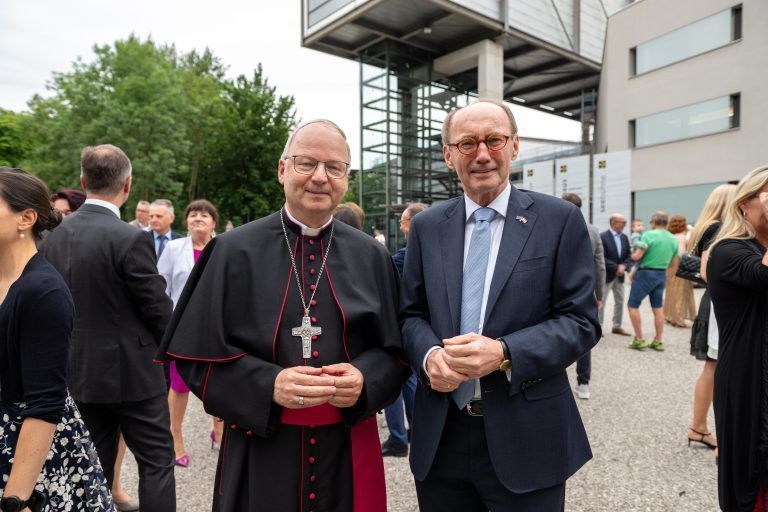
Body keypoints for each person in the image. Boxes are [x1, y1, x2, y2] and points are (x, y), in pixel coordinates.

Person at [158, 119, 405, 512]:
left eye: (334, 167)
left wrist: (365, 379)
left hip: (347, 449)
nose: (320, 177)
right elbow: (195, 361)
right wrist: (266, 385)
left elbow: (397, 353)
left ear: (346, 177)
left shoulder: (373, 257)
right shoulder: (231, 251)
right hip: (260, 450)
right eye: (306, 163)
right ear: (282, 169)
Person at [400, 99, 599, 511]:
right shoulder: (427, 227)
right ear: (448, 154)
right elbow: (410, 314)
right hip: (443, 436)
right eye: (468, 143)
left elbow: (581, 321)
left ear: (514, 146)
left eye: (494, 140)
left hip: (528, 434)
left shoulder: (558, 220)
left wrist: (505, 353)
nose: (483, 154)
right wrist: (429, 354)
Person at [42, 144, 176, 511]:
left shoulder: (53, 236)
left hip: (77, 370)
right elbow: (156, 306)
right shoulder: (130, 237)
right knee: (156, 462)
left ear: (83, 181)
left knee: (90, 466)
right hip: (133, 373)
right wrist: (175, 349)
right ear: (128, 185)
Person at [0, 167, 113, 511]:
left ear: (26, 219)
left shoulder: (43, 292)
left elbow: (45, 404)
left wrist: (15, 500)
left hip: (27, 459)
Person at [707, 165, 768, 511]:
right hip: (748, 380)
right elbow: (762, 276)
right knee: (752, 471)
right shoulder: (729, 250)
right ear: (745, 204)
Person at [157, 199, 223, 467]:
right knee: (179, 383)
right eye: (193, 214)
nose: (198, 219)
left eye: (204, 215)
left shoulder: (224, 246)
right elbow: (162, 286)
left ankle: (219, 431)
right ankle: (175, 437)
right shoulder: (174, 248)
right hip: (182, 325)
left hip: (217, 325)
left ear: (213, 222)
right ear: (185, 221)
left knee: (219, 380)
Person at [686, 184, 736, 453]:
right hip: (720, 304)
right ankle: (703, 428)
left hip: (715, 302)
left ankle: (699, 427)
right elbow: (707, 271)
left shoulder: (709, 226)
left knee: (713, 368)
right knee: (717, 368)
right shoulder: (718, 228)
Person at [381, 202, 427, 457]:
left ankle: (398, 438)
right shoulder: (437, 251)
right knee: (411, 381)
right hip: (425, 331)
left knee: (396, 384)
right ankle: (416, 431)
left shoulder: (401, 257)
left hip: (402, 328)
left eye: (403, 220)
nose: (400, 225)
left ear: (411, 224)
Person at [562, 193, 605, 400]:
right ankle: (583, 382)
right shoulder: (593, 231)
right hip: (584, 291)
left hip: (555, 290)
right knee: (582, 334)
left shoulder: (552, 225)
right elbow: (600, 266)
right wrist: (599, 293)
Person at [626, 211, 679, 351]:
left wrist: (629, 257)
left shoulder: (648, 235)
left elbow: (637, 256)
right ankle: (658, 340)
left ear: (654, 223)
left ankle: (639, 339)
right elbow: (674, 261)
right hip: (661, 274)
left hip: (645, 274)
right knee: (658, 308)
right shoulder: (673, 238)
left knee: (632, 305)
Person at [600, 214, 634, 336]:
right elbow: (600, 257)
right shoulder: (603, 237)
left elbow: (629, 256)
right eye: (622, 222)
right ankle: (598, 327)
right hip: (606, 275)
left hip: (620, 276)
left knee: (620, 300)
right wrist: (616, 267)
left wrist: (624, 266)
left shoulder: (624, 237)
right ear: (613, 223)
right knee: (601, 301)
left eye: (625, 222)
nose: (625, 224)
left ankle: (617, 326)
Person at [663, 216, 696, 327]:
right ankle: (677, 319)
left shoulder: (669, 236)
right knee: (680, 292)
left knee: (670, 291)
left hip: (670, 265)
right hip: (679, 264)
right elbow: (682, 252)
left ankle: (669, 315)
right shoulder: (682, 237)